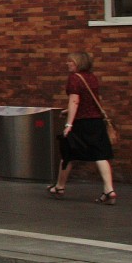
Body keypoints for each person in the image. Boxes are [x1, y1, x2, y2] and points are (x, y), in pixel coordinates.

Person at [48, 51, 116, 204]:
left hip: (80, 123)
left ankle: (59, 187)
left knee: (68, 155)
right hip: (96, 122)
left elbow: (75, 101)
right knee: (101, 155)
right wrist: (68, 111)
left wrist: (69, 124)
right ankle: (109, 190)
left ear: (78, 63)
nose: (67, 63)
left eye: (70, 61)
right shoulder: (92, 77)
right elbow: (88, 101)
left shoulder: (74, 78)